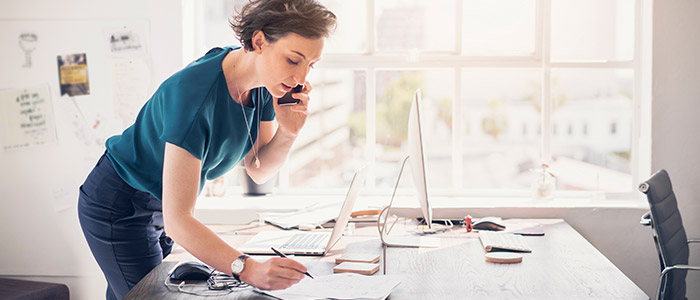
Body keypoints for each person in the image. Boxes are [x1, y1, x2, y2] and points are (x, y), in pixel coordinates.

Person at [77, 0, 336, 298]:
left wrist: (288, 131)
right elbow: (179, 220)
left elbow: (259, 169)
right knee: (147, 294)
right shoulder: (195, 96)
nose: (301, 79)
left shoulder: (265, 86)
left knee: (132, 292)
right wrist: (249, 269)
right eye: (293, 60)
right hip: (119, 203)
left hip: (159, 206)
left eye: (310, 65)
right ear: (260, 41)